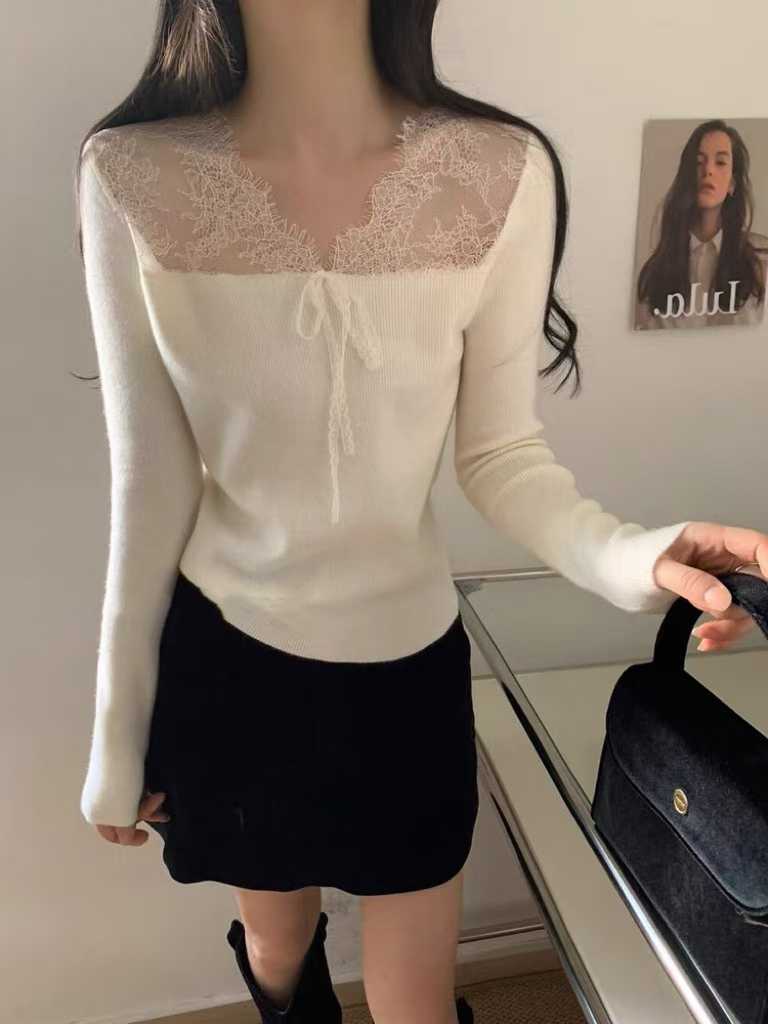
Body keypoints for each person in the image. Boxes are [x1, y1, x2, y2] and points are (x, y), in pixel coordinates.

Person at [74, 2, 767, 1022]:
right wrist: (117, 726)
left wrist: (635, 555)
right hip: (228, 662)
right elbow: (151, 482)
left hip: (407, 670)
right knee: (277, 947)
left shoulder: (499, 171)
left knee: (416, 1002)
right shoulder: (130, 175)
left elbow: (501, 455)